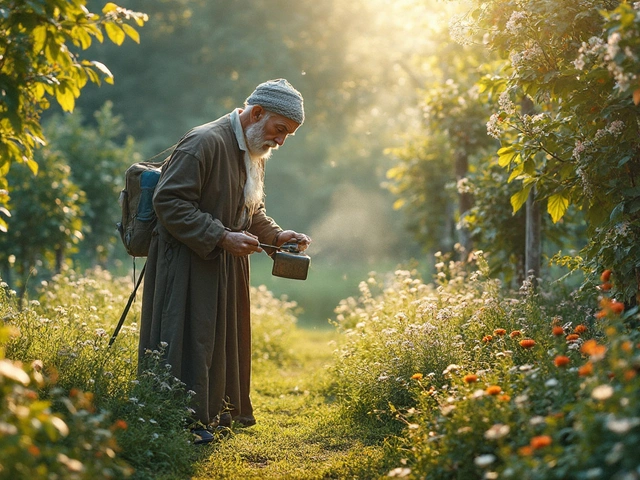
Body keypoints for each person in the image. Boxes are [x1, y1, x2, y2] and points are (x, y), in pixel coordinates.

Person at [138, 79, 311, 444]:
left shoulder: (253, 149)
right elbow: (168, 202)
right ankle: (179, 422)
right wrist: (220, 236)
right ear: (257, 113)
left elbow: (251, 209)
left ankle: (214, 415)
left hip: (226, 264)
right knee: (189, 338)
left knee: (219, 341)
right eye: (279, 130)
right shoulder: (204, 143)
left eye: (287, 136)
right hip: (186, 263)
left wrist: (278, 236)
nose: (279, 141)